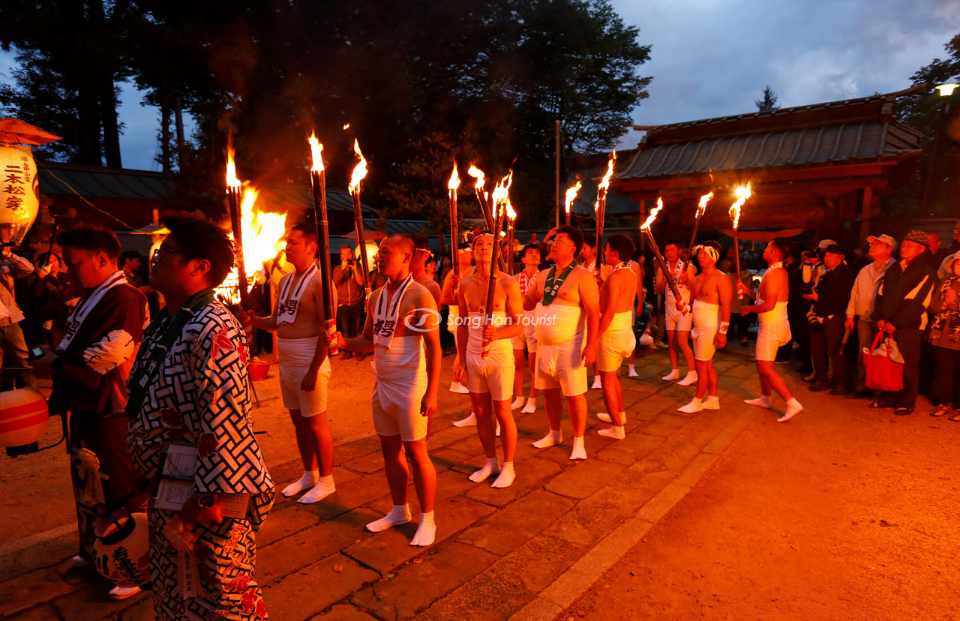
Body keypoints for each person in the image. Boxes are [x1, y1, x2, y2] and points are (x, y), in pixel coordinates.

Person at [126, 214, 275, 619]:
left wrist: (209, 498)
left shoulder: (213, 326)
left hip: (208, 490)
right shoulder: (169, 319)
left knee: (224, 593)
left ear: (199, 267)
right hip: (171, 480)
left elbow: (226, 419)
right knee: (176, 589)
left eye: (167, 252)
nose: (154, 258)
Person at [39, 227, 148, 601]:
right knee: (89, 485)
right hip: (86, 405)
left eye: (75, 263)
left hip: (112, 408)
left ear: (103, 258)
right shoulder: (93, 295)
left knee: (118, 485)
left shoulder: (125, 296)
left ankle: (132, 565)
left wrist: (53, 363)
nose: (70, 271)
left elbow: (109, 353)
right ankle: (95, 549)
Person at [337, 234, 441, 546]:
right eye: (379, 253)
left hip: (410, 385)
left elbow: (434, 347)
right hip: (381, 383)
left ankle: (429, 518)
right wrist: (342, 341)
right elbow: (368, 340)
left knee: (416, 452)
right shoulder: (375, 296)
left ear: (407, 257)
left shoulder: (420, 295)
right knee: (389, 449)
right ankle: (399, 510)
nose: (379, 258)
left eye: (386, 253)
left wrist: (432, 392)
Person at [245, 225, 335, 504]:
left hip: (310, 359)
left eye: (293, 242)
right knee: (298, 422)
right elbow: (278, 321)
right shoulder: (284, 281)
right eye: (286, 242)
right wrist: (253, 319)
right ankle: (309, 473)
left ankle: (327, 480)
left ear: (311, 247)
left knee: (316, 423)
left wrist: (313, 369)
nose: (287, 246)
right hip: (287, 360)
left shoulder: (320, 282)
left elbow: (327, 330)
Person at [523, 225, 600, 460]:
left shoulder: (583, 276)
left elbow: (594, 312)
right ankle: (554, 433)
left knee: (574, 395)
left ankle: (578, 441)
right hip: (544, 345)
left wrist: (591, 345)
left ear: (573, 248)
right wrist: (504, 286)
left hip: (571, 344)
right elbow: (526, 303)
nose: (553, 244)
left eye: (560, 240)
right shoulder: (543, 275)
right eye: (554, 240)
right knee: (548, 393)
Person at [454, 232, 524, 487]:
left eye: (488, 245)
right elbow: (462, 324)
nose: (484, 248)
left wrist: (498, 333)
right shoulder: (465, 283)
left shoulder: (507, 282)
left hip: (499, 354)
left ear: (497, 252)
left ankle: (509, 465)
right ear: (472, 252)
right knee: (481, 411)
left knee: (503, 412)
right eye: (479, 245)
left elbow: (519, 325)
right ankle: (490, 460)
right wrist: (461, 360)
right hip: (473, 353)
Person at [870, 230, 939, 415]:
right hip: (887, 323)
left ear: (921, 249)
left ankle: (906, 401)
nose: (905, 248)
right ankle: (888, 397)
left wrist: (896, 322)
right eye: (904, 244)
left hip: (910, 326)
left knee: (908, 363)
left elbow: (917, 301)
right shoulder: (894, 268)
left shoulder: (926, 270)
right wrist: (880, 318)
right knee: (889, 360)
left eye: (910, 245)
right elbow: (881, 294)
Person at [741, 237, 804, 422]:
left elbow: (769, 304)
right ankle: (765, 398)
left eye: (767, 246)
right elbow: (763, 297)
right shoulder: (773, 271)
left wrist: (748, 308)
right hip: (771, 324)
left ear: (775, 252)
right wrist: (747, 292)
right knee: (762, 365)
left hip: (773, 325)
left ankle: (791, 402)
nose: (764, 249)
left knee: (766, 368)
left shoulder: (776, 273)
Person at [678, 242, 732, 413]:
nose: (700, 256)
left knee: (701, 365)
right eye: (699, 253)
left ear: (714, 256)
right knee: (706, 365)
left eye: (704, 253)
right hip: (698, 326)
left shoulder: (721, 278)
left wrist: (723, 333)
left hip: (711, 327)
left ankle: (697, 401)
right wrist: (684, 307)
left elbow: (727, 306)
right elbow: (692, 304)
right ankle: (713, 399)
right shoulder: (698, 278)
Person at [594, 234, 638, 437]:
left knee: (607, 382)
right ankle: (619, 414)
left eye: (606, 249)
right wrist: (603, 283)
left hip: (612, 333)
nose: (604, 252)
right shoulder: (630, 273)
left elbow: (610, 312)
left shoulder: (615, 276)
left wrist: (593, 336)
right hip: (625, 331)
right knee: (613, 377)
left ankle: (617, 428)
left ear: (615, 253)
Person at [844, 234, 896, 399]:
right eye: (872, 244)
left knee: (884, 355)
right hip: (865, 318)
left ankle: (882, 388)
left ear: (890, 249)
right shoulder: (865, 269)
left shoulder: (895, 269)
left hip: (884, 320)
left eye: (878, 244)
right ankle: (864, 386)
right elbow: (855, 293)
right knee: (864, 354)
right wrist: (850, 315)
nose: (872, 246)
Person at [805, 244, 855, 394]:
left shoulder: (847, 273)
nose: (827, 259)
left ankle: (842, 382)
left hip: (834, 315)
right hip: (818, 314)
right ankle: (822, 379)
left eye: (831, 256)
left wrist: (818, 297)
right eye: (826, 256)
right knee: (817, 349)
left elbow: (842, 296)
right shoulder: (826, 273)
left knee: (835, 350)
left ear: (841, 258)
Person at [441, 242, 476, 417]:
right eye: (468, 252)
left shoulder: (474, 271)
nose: (471, 255)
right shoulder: (452, 275)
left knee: (467, 351)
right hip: (458, 315)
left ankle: (462, 380)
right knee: (463, 352)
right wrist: (461, 299)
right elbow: (444, 298)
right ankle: (456, 382)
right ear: (459, 254)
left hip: (472, 317)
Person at [655, 240, 697, 386]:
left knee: (682, 341)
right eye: (666, 251)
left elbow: (694, 289)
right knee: (671, 341)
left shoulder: (688, 267)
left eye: (672, 250)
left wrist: (687, 281)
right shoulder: (662, 268)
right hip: (669, 307)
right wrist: (668, 279)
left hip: (684, 307)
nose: (669, 253)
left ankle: (692, 372)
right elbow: (657, 288)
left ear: (679, 251)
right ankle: (675, 370)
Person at [927, 254, 960, 419]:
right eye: (958, 263)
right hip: (942, 334)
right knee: (943, 371)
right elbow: (932, 306)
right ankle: (944, 403)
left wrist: (954, 302)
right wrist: (945, 303)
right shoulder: (945, 283)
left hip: (959, 336)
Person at [512, 243, 541, 414]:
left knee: (533, 365)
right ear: (523, 259)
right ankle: (519, 397)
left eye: (537, 253)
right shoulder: (515, 278)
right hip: (518, 321)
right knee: (517, 363)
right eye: (530, 253)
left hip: (536, 322)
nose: (534, 255)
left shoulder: (543, 277)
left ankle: (532, 399)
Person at [0, 243, 34, 378]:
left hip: (10, 321)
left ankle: (32, 395)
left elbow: (28, 268)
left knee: (24, 362)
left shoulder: (3, 266)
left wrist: (7, 254)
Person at [334, 245, 365, 359]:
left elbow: (361, 283)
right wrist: (342, 269)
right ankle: (347, 351)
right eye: (344, 255)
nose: (347, 257)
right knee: (345, 330)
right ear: (341, 256)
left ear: (352, 254)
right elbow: (335, 282)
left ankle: (357, 351)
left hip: (356, 302)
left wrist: (355, 269)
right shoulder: (337, 268)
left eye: (349, 254)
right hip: (343, 303)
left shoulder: (359, 267)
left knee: (357, 329)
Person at [410, 234, 442, 306]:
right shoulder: (401, 283)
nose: (408, 258)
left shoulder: (432, 287)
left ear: (425, 256)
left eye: (412, 254)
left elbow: (434, 316)